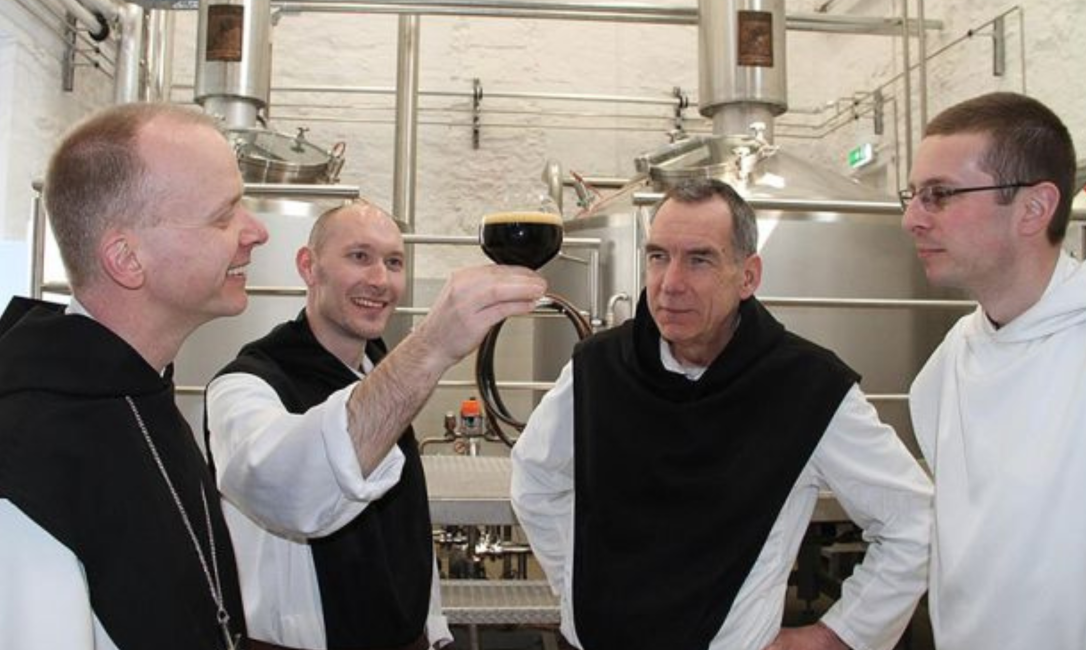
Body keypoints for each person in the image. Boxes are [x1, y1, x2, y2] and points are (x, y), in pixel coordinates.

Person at [511, 178, 933, 650]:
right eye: (657, 256)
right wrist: (574, 585)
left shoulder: (806, 387)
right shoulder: (599, 368)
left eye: (699, 259)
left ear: (748, 276)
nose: (670, 284)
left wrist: (838, 636)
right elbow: (535, 477)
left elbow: (914, 519)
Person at [205, 201, 546, 650]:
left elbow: (405, 527)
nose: (380, 281)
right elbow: (290, 491)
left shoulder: (382, 370)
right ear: (309, 267)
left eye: (394, 262)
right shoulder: (245, 385)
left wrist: (434, 626)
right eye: (359, 257)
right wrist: (432, 344)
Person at [0, 102, 269, 650]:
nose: (257, 232)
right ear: (127, 258)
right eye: (224, 216)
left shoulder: (136, 389)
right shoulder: (27, 451)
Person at [901, 91, 1085, 650]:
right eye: (911, 196)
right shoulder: (945, 366)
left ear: (1033, 208)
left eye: (939, 196)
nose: (912, 219)